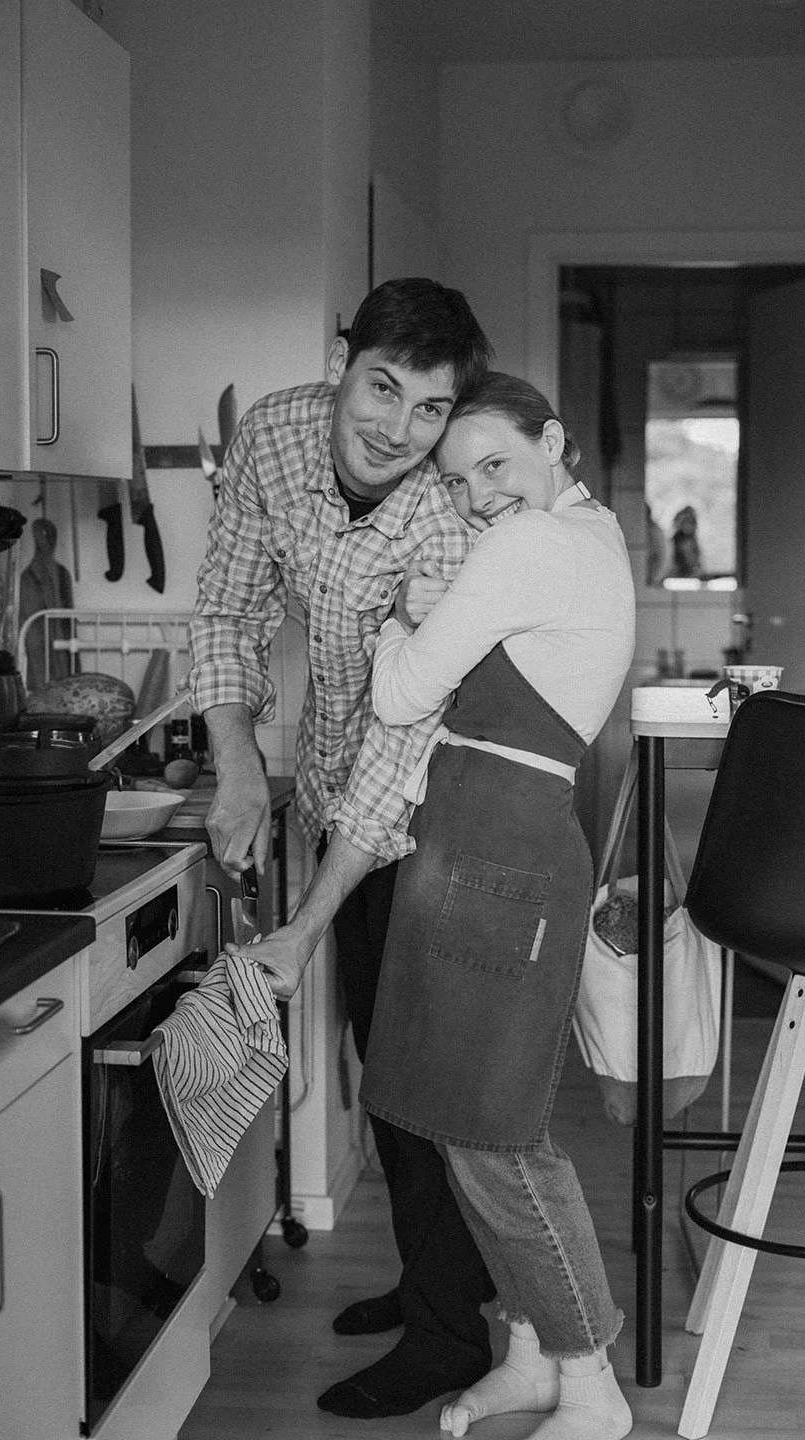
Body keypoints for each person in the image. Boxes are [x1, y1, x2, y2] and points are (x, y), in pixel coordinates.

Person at [235, 372, 637, 1439]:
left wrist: (393, 628)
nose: (478, 499)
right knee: (458, 1132)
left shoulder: (536, 546)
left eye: (495, 465)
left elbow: (405, 694)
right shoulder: (583, 534)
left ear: (552, 441)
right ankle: (526, 1350)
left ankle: (590, 1382)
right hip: (471, 846)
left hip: (499, 856)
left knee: (500, 1140)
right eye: (458, 483)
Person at [188, 277, 498, 1419]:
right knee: (383, 1055)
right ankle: (437, 1288)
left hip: (434, 806)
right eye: (384, 389)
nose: (400, 430)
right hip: (332, 791)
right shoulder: (272, 435)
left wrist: (306, 924)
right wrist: (233, 766)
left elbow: (405, 739)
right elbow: (226, 607)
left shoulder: (444, 517)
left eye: (430, 409)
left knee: (421, 1080)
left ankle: (451, 1333)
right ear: (341, 361)